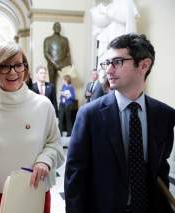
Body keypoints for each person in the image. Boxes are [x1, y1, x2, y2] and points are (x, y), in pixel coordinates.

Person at [64, 33, 175, 213]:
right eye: (107, 63)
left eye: (117, 62)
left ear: (144, 65)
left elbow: (160, 169)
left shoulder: (165, 115)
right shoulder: (89, 115)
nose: (108, 70)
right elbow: (75, 178)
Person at [0, 41, 65, 213]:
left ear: (25, 68)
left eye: (18, 65)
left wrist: (45, 161)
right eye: (5, 66)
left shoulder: (43, 105)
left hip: (35, 193)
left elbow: (55, 144)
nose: (13, 72)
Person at [44, 22, 71, 88]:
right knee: (51, 84)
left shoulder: (65, 39)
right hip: (51, 64)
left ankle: (66, 98)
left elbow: (68, 53)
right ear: (53, 28)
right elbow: (46, 53)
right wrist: (55, 64)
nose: (58, 28)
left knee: (67, 82)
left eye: (59, 26)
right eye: (56, 26)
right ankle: (52, 98)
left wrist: (68, 63)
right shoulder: (47, 39)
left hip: (63, 64)